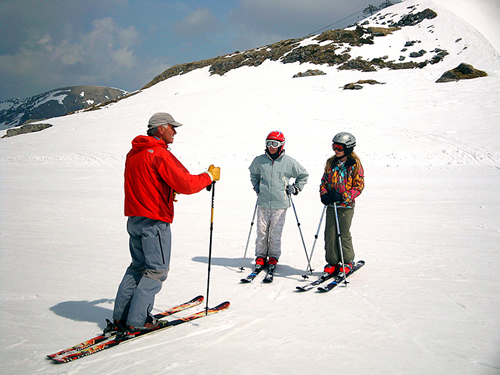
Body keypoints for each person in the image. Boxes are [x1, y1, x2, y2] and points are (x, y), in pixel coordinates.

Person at [109, 112, 220, 334]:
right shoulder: (158, 154)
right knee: (156, 270)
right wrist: (209, 176)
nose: (175, 131)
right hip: (154, 221)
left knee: (137, 267)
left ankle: (122, 317)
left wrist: (166, 191)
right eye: (172, 127)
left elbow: (147, 181)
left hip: (135, 218)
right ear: (160, 128)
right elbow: (187, 182)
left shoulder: (135, 152)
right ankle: (138, 320)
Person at [249, 131, 309, 272]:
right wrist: (256, 186)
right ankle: (261, 256)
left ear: (281, 145)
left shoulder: (288, 162)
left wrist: (295, 188)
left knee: (275, 233)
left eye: (274, 144)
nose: (271, 147)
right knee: (262, 231)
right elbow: (253, 173)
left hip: (280, 203)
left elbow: (303, 175)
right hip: (263, 202)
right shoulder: (259, 160)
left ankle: (273, 257)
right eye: (268, 143)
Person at [319, 132, 364, 276]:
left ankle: (347, 261)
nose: (336, 150)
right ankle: (332, 262)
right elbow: (324, 181)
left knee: (343, 234)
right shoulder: (330, 163)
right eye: (334, 146)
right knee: (329, 234)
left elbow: (359, 186)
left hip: (346, 206)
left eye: (339, 147)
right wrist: (324, 194)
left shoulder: (354, 165)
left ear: (349, 148)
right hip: (331, 205)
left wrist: (344, 196)